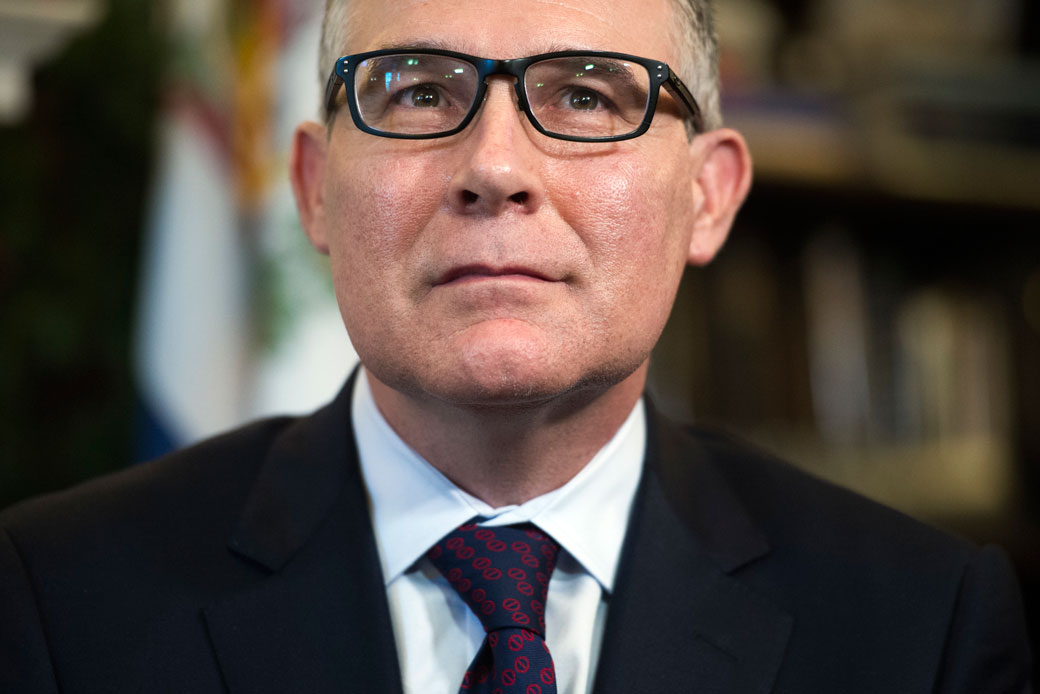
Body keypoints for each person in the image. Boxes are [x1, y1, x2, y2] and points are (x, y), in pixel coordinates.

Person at [0, 0, 1032, 691]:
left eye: (585, 94)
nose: (494, 166)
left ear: (706, 195)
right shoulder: (57, 604)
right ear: (314, 189)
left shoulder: (920, 628)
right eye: (415, 91)